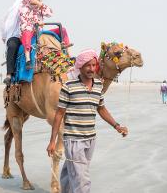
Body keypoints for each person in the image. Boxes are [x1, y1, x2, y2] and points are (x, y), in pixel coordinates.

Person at [46, 49, 128, 193]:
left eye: (94, 65)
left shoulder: (98, 86)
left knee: (72, 172)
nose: (91, 69)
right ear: (80, 67)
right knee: (82, 179)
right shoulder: (69, 87)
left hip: (91, 139)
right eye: (88, 65)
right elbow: (59, 114)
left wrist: (117, 126)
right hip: (73, 140)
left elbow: (101, 109)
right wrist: (52, 141)